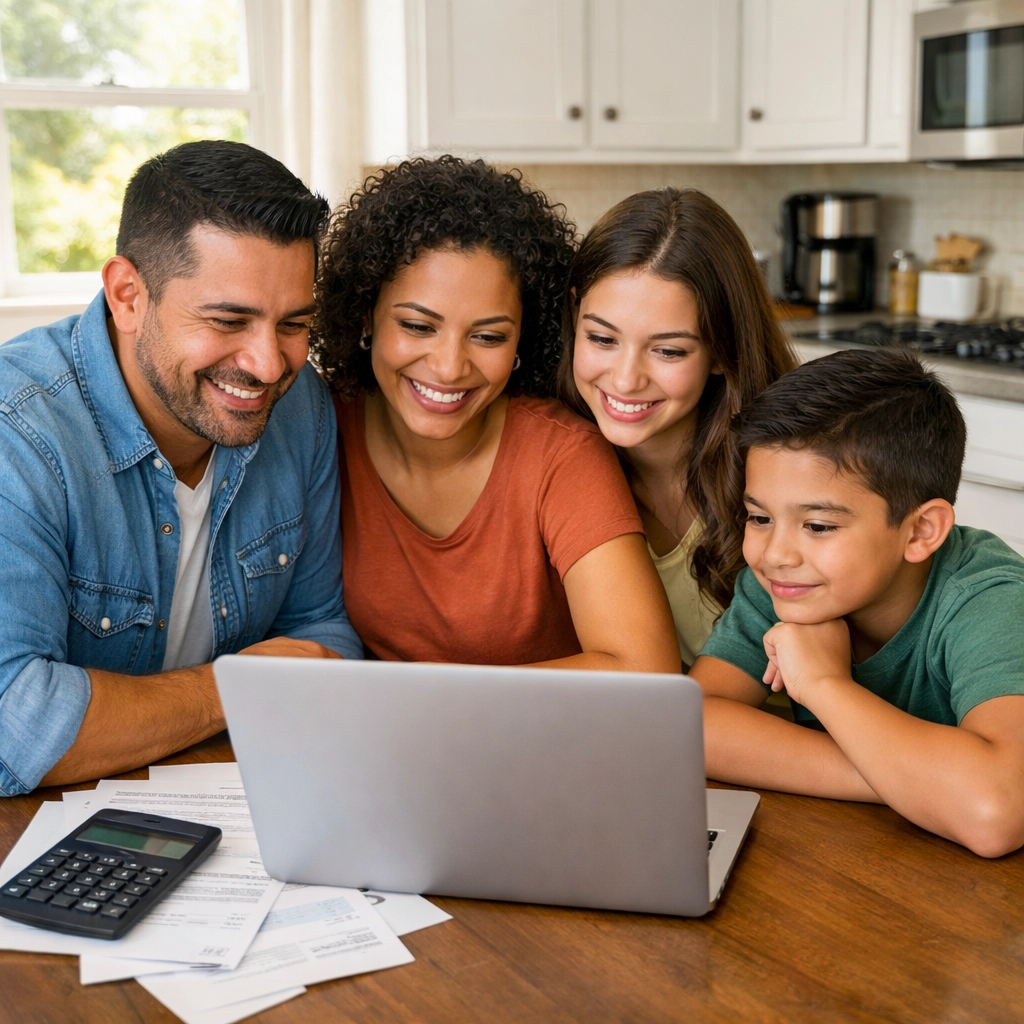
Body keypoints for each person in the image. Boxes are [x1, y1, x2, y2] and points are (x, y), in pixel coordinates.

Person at [0, 140, 362, 797]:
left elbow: (320, 630)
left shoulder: (300, 403)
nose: (269, 364)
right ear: (128, 295)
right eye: (229, 320)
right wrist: (233, 687)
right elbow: (13, 725)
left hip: (232, 799)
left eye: (293, 324)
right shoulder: (18, 433)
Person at [312, 156, 679, 670]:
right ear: (365, 314)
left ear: (523, 342)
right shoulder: (318, 427)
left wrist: (431, 710)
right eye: (418, 326)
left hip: (539, 747)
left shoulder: (561, 456)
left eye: (488, 337)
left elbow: (643, 667)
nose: (448, 366)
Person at [692, 348, 1024, 857]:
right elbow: (691, 727)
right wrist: (910, 783)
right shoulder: (788, 582)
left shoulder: (990, 600)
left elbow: (995, 812)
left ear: (920, 531)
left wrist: (824, 684)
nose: (774, 553)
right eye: (758, 517)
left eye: (819, 526)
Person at [558, 188, 795, 669]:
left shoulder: (785, 467)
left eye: (668, 351)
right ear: (574, 314)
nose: (625, 379)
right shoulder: (556, 461)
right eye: (601, 338)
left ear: (720, 352)